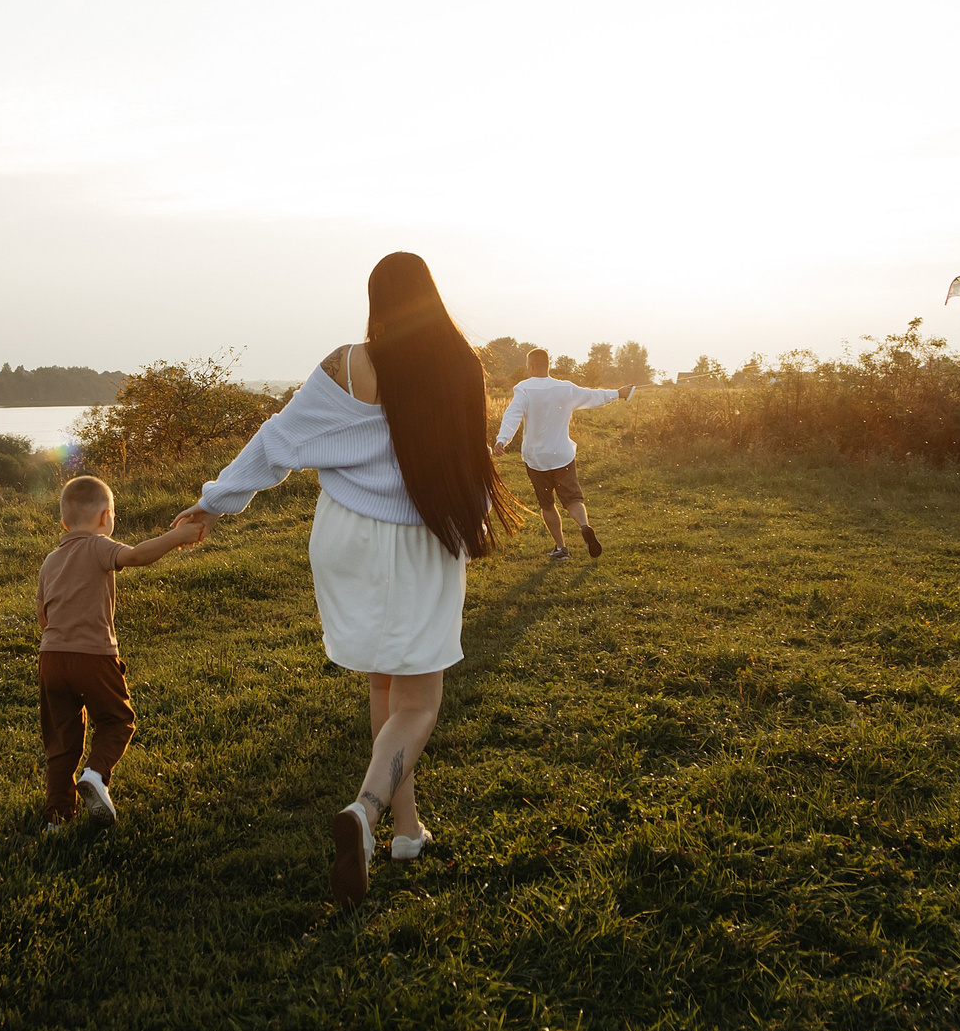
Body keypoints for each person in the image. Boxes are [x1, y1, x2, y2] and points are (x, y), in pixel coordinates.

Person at [173, 251, 516, 908]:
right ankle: (365, 808)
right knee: (419, 699)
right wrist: (470, 531)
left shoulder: (347, 363)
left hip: (350, 536)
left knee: (385, 683)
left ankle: (406, 830)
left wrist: (215, 499)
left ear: (377, 300)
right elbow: (471, 463)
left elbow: (278, 440)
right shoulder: (462, 365)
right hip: (421, 538)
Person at [37, 473, 206, 835]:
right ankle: (96, 775)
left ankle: (56, 818)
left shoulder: (50, 561)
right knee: (117, 720)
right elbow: (135, 556)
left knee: (61, 740)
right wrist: (176, 537)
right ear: (104, 516)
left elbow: (42, 614)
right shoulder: (98, 545)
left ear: (63, 520)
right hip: (94, 655)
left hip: (50, 657)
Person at [494, 347, 632, 559]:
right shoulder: (565, 388)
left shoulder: (524, 389)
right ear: (548, 366)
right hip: (562, 456)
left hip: (536, 459)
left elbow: (512, 415)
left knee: (547, 504)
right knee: (573, 499)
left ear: (530, 366)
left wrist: (502, 439)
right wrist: (619, 393)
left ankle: (561, 548)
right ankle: (584, 526)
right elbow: (593, 396)